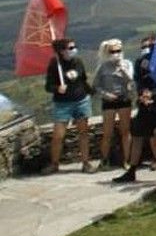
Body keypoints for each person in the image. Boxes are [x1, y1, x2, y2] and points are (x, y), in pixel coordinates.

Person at [113, 39, 156, 183]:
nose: (149, 49)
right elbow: (139, 81)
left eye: (152, 46)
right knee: (137, 136)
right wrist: (143, 94)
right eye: (147, 46)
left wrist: (154, 94)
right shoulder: (141, 61)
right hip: (145, 105)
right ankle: (132, 170)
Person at [45, 38, 93, 173]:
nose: (73, 50)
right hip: (62, 104)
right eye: (70, 48)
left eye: (74, 47)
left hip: (81, 101)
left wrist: (90, 91)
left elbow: (83, 80)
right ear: (62, 51)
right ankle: (54, 163)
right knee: (58, 136)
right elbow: (48, 86)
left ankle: (86, 163)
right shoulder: (55, 64)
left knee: (83, 133)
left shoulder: (78, 62)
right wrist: (57, 88)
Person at [93, 38, 134, 170]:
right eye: (113, 51)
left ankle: (127, 160)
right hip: (109, 101)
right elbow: (96, 86)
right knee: (107, 132)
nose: (116, 53)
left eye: (118, 51)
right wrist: (106, 95)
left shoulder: (127, 64)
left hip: (124, 99)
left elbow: (131, 80)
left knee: (125, 131)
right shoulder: (103, 67)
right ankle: (104, 159)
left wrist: (122, 69)